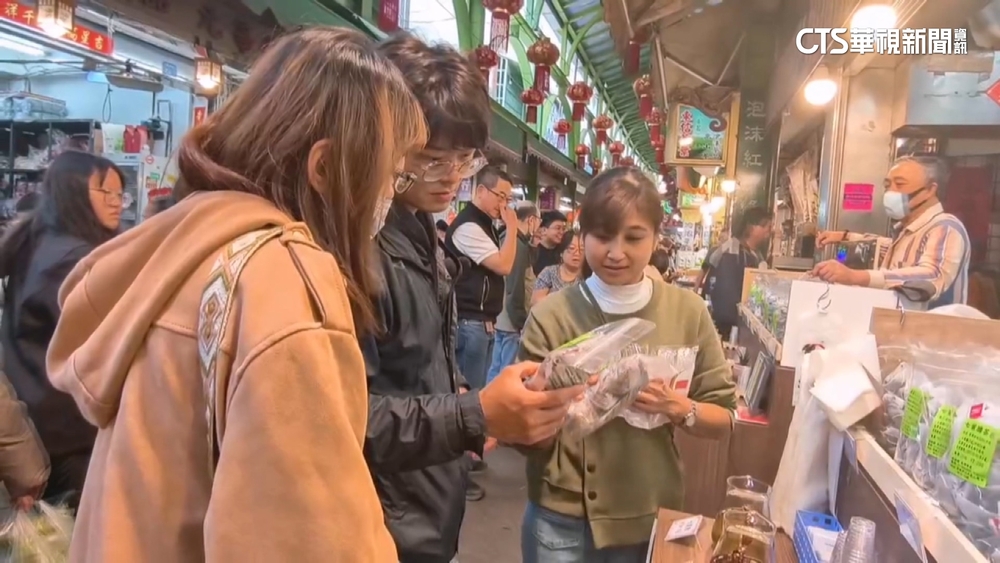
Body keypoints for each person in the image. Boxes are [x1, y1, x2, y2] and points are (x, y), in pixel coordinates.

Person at [45, 27, 428, 561]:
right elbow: (307, 541)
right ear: (324, 168)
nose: (390, 193)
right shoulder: (285, 281)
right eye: (391, 174)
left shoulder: (185, 242)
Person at [363, 35, 580, 562]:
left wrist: (461, 395)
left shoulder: (418, 227)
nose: (453, 175)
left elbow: (413, 364)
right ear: (379, 138)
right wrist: (471, 414)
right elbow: (345, 418)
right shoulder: (357, 246)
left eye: (464, 158)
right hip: (380, 524)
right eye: (433, 158)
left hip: (424, 506)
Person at [517, 167, 737, 562]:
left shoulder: (687, 312)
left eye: (633, 238)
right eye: (602, 236)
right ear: (582, 237)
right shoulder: (552, 316)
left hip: (649, 513)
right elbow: (521, 429)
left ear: (655, 238)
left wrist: (678, 408)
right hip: (563, 520)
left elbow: (723, 418)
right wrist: (546, 404)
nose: (616, 252)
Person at [0, 151, 122, 510]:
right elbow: (104, 344)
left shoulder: (36, 240)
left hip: (39, 418)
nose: (116, 202)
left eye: (120, 193)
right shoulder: (73, 259)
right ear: (74, 192)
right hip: (67, 428)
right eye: (105, 192)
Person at [813, 155, 970, 306]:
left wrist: (856, 276)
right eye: (887, 185)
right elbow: (887, 246)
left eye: (900, 185)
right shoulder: (907, 230)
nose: (890, 192)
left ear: (929, 190)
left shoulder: (946, 227)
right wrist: (845, 236)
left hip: (931, 324)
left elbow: (932, 275)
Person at [445, 166, 517, 390]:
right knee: (469, 393)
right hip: (469, 323)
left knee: (480, 390)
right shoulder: (469, 226)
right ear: (481, 191)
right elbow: (504, 265)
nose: (503, 205)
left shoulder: (487, 225)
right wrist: (512, 227)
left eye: (507, 199)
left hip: (483, 323)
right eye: (500, 196)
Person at [487, 201, 540, 385]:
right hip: (511, 320)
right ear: (531, 220)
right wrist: (520, 321)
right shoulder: (517, 245)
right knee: (507, 371)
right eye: (538, 221)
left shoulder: (506, 238)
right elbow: (514, 286)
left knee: (495, 368)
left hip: (500, 316)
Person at [703, 207, 772, 337]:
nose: (768, 231)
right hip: (729, 327)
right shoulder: (732, 253)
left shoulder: (755, 254)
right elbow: (726, 297)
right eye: (766, 227)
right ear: (752, 227)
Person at [531, 231, 582, 306]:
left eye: (582, 249)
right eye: (572, 248)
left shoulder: (589, 276)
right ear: (561, 252)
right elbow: (536, 301)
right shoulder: (549, 273)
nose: (577, 253)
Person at [533, 210, 568, 275]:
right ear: (544, 230)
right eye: (558, 228)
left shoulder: (563, 253)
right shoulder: (534, 252)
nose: (561, 232)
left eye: (563, 229)